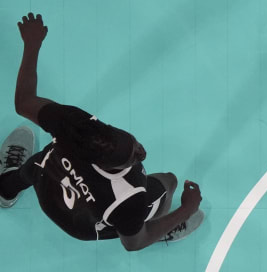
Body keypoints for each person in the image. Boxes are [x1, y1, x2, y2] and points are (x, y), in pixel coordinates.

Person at [1, 12, 203, 250]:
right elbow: (134, 244)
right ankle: (161, 226)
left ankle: (5, 188)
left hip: (47, 183)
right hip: (80, 224)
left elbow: (24, 102)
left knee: (39, 164)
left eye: (134, 146)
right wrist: (186, 209)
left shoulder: (74, 126)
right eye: (133, 157)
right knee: (167, 183)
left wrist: (32, 44)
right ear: (110, 166)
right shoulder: (127, 197)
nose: (141, 151)